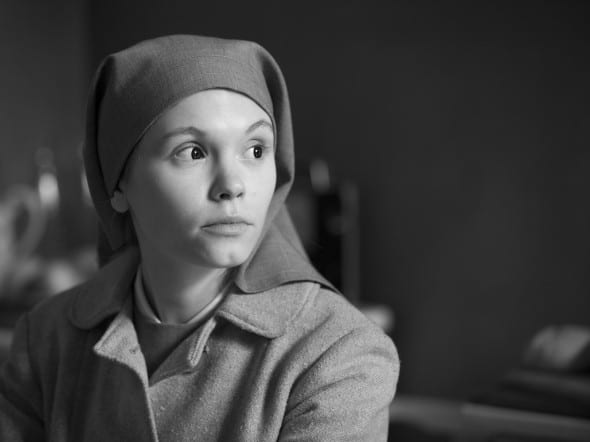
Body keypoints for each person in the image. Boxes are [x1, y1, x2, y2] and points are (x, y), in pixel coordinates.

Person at [0, 35, 399, 441]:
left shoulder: (338, 351)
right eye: (192, 152)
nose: (233, 185)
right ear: (115, 184)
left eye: (256, 150)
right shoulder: (43, 342)